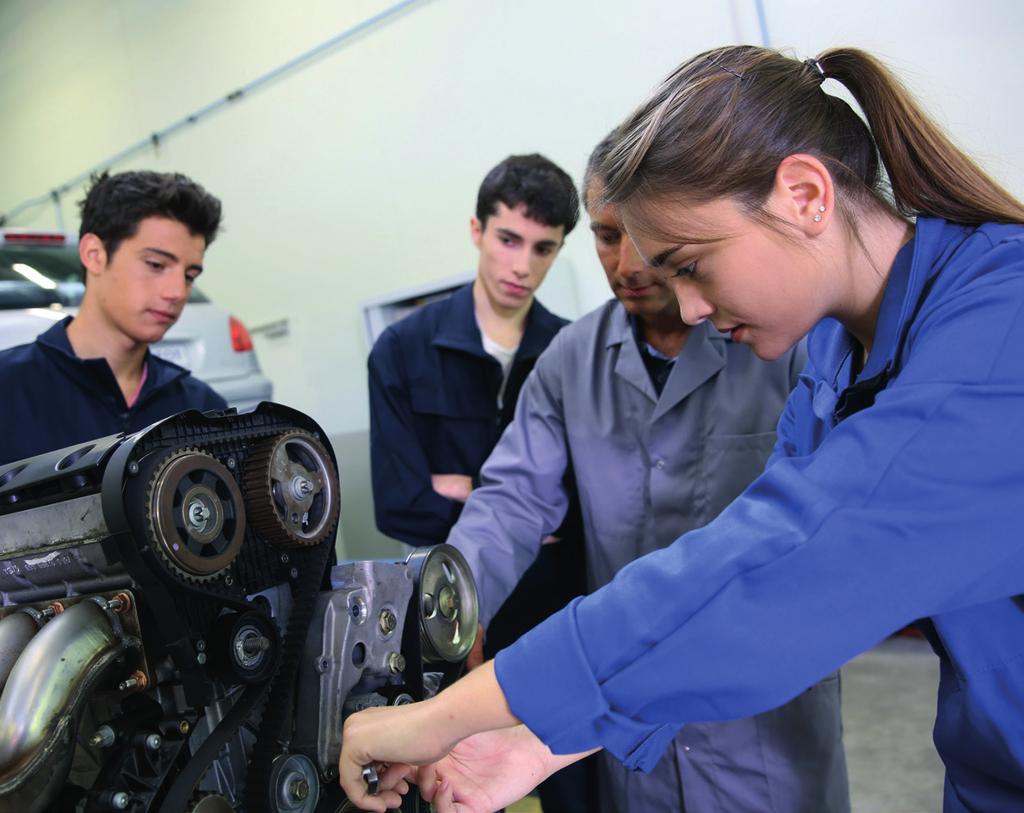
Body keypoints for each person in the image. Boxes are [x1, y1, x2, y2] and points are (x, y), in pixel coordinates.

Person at [338, 45, 1024, 813]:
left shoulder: (998, 329)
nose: (689, 307)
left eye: (690, 264)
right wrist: (533, 741)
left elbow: (762, 570)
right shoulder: (840, 360)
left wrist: (440, 719)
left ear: (805, 195)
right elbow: (710, 581)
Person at [444, 133, 846, 813]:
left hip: (763, 733)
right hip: (626, 749)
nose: (625, 263)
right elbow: (510, 499)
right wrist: (452, 604)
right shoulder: (571, 360)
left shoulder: (783, 340)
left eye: (641, 236)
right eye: (604, 236)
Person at [366, 153, 587, 810]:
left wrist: (465, 489)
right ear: (477, 230)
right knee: (444, 783)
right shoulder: (403, 350)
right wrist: (520, 515)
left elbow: (590, 508)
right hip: (448, 612)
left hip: (556, 611)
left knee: (574, 781)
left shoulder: (573, 353)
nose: (522, 265)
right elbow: (398, 501)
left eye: (543, 248)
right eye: (509, 239)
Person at [0, 170, 226, 466]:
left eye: (189, 275)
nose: (177, 292)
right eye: (156, 265)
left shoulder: (203, 410)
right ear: (94, 254)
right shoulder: (8, 392)